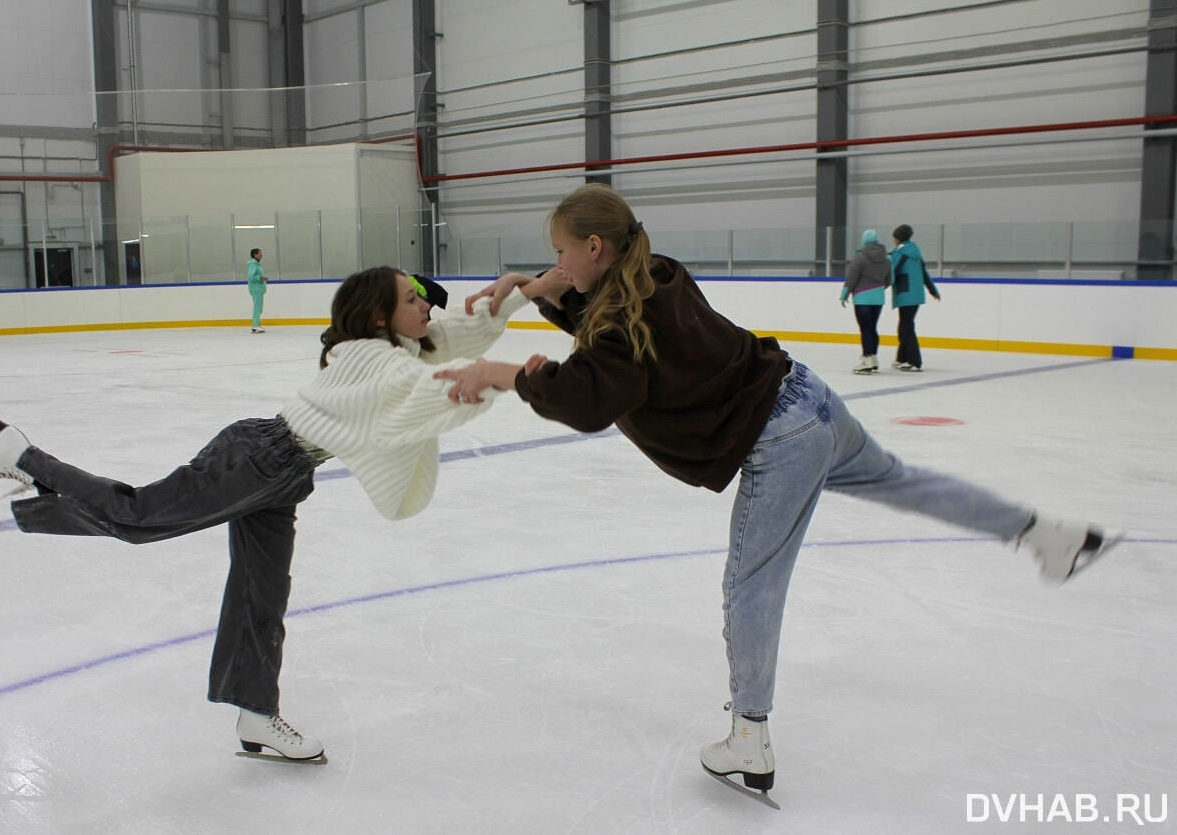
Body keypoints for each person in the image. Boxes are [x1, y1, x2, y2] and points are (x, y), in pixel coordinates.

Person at [434, 183, 1112, 801]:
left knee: (750, 583)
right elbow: (599, 313)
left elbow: (588, 395)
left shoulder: (617, 330)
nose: (556, 262)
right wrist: (532, 287)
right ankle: (1042, 533)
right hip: (811, 397)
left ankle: (749, 739)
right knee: (903, 482)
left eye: (561, 250)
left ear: (593, 247)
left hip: (779, 439)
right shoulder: (656, 270)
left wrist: (505, 372)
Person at [0, 266, 561, 762]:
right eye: (413, 296)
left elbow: (445, 341)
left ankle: (256, 715)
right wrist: (497, 374)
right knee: (139, 518)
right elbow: (424, 383)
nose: (428, 303)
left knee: (262, 595)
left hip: (280, 475)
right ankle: (23, 454)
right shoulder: (374, 358)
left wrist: (523, 292)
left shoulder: (386, 344)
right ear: (379, 316)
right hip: (259, 460)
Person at [888, 224, 940, 372]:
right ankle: (902, 358)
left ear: (897, 238)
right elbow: (924, 273)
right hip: (916, 294)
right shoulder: (915, 251)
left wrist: (879, 286)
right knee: (905, 325)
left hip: (906, 293)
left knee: (906, 327)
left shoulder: (901, 253)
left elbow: (893, 273)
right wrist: (933, 290)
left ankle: (914, 361)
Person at [840, 229, 890, 374]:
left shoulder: (860, 257)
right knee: (872, 328)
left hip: (862, 297)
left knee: (865, 329)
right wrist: (877, 289)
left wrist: (844, 294)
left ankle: (867, 360)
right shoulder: (886, 259)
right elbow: (889, 280)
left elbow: (852, 277)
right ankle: (873, 357)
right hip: (878, 298)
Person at [247, 248, 267, 333]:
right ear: (255, 255)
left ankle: (257, 324)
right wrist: (260, 277)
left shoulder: (256, 264)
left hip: (258, 288)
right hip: (256, 288)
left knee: (259, 308)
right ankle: (255, 326)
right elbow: (251, 277)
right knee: (257, 307)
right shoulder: (253, 265)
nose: (262, 255)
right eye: (260, 253)